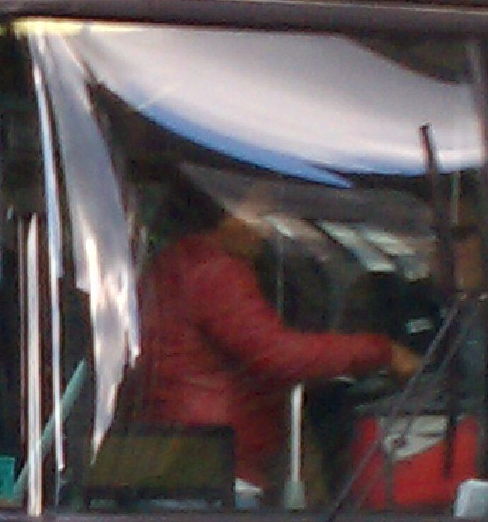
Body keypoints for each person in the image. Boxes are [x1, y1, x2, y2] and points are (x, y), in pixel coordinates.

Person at [125, 185, 421, 498]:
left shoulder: (178, 264)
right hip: (215, 466)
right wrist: (382, 351)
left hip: (187, 458)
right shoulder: (214, 270)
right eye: (262, 214)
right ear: (225, 212)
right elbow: (277, 353)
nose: (267, 232)